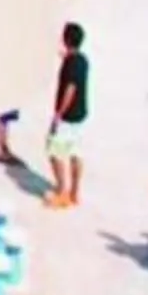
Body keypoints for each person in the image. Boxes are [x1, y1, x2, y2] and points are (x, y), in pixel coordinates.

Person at [46, 22, 90, 209]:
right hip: (81, 114)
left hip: (68, 116)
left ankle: (62, 191)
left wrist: (58, 114)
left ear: (66, 40)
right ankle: (74, 193)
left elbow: (70, 90)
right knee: (75, 153)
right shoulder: (82, 60)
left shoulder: (71, 63)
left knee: (54, 152)